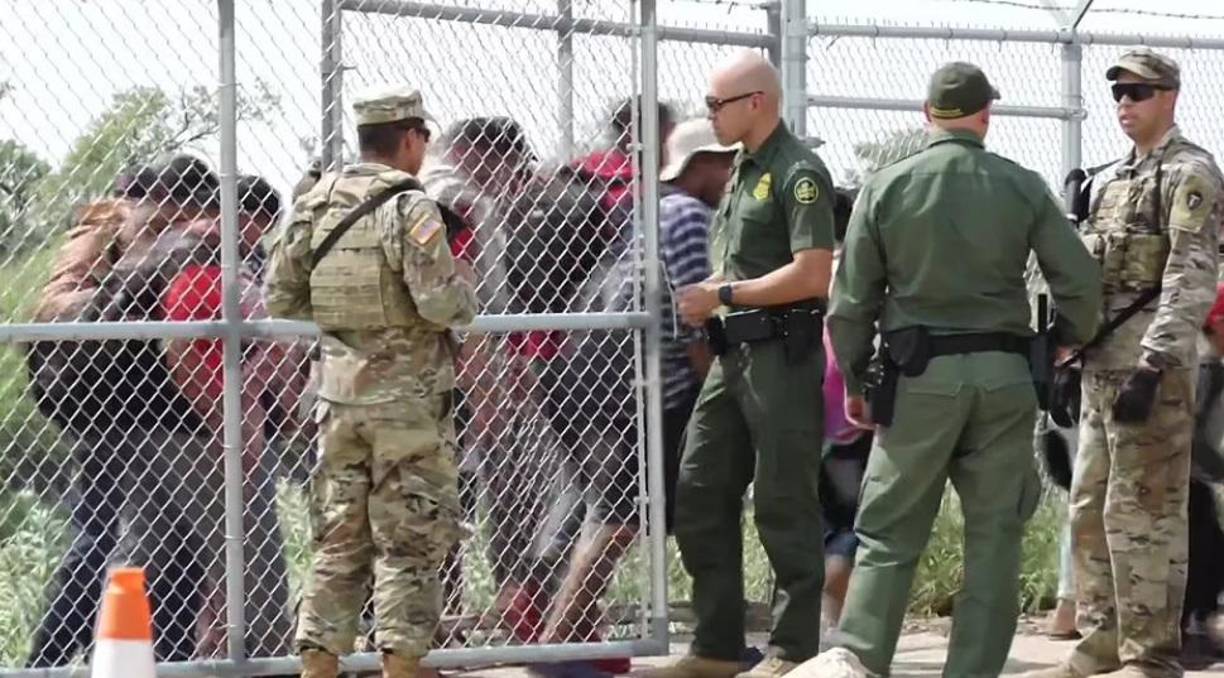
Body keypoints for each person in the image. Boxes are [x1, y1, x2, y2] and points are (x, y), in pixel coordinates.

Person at [798, 61, 1102, 678]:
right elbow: (1080, 282)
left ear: (927, 115)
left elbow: (850, 304)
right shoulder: (1021, 185)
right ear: (986, 115)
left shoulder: (886, 187)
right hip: (1006, 376)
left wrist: (856, 381)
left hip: (917, 381)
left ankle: (860, 661)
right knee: (995, 538)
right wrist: (1068, 339)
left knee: (887, 534)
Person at [263, 85, 478, 678]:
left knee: (338, 536)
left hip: (337, 399)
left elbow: (280, 296)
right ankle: (401, 666)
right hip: (407, 405)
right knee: (409, 537)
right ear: (410, 138)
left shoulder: (316, 203)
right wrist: (464, 291)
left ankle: (318, 665)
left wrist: (346, 325)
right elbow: (439, 303)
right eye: (424, 138)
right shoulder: (410, 207)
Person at [1024, 48, 1224, 678]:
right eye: (1118, 93)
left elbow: (1190, 278)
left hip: (1151, 373)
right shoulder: (1110, 181)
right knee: (1090, 508)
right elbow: (1092, 279)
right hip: (1100, 368)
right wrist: (1068, 352)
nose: (1125, 104)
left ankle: (1150, 654)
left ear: (1169, 97)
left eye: (1138, 92)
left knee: (1144, 514)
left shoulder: (1189, 173)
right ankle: (1102, 642)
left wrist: (1154, 365)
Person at [644, 49, 837, 678]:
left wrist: (723, 293)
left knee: (783, 501)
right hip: (733, 357)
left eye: (716, 105)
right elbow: (746, 263)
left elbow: (813, 274)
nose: (709, 116)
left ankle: (792, 648)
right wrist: (715, 293)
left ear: (757, 102)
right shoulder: (742, 171)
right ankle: (718, 645)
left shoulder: (797, 171)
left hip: (781, 355)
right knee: (699, 489)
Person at [25, 154, 223, 667]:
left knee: (177, 551)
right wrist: (135, 282)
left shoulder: (194, 239)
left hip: (162, 409)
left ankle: (162, 660)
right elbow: (56, 308)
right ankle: (45, 663)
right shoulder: (108, 235)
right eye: (169, 217)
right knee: (98, 541)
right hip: (106, 405)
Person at [656, 117, 739, 532]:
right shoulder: (689, 215)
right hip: (670, 381)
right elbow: (694, 314)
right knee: (692, 504)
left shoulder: (660, 207)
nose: (732, 178)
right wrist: (716, 390)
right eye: (728, 165)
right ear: (701, 163)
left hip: (635, 377)